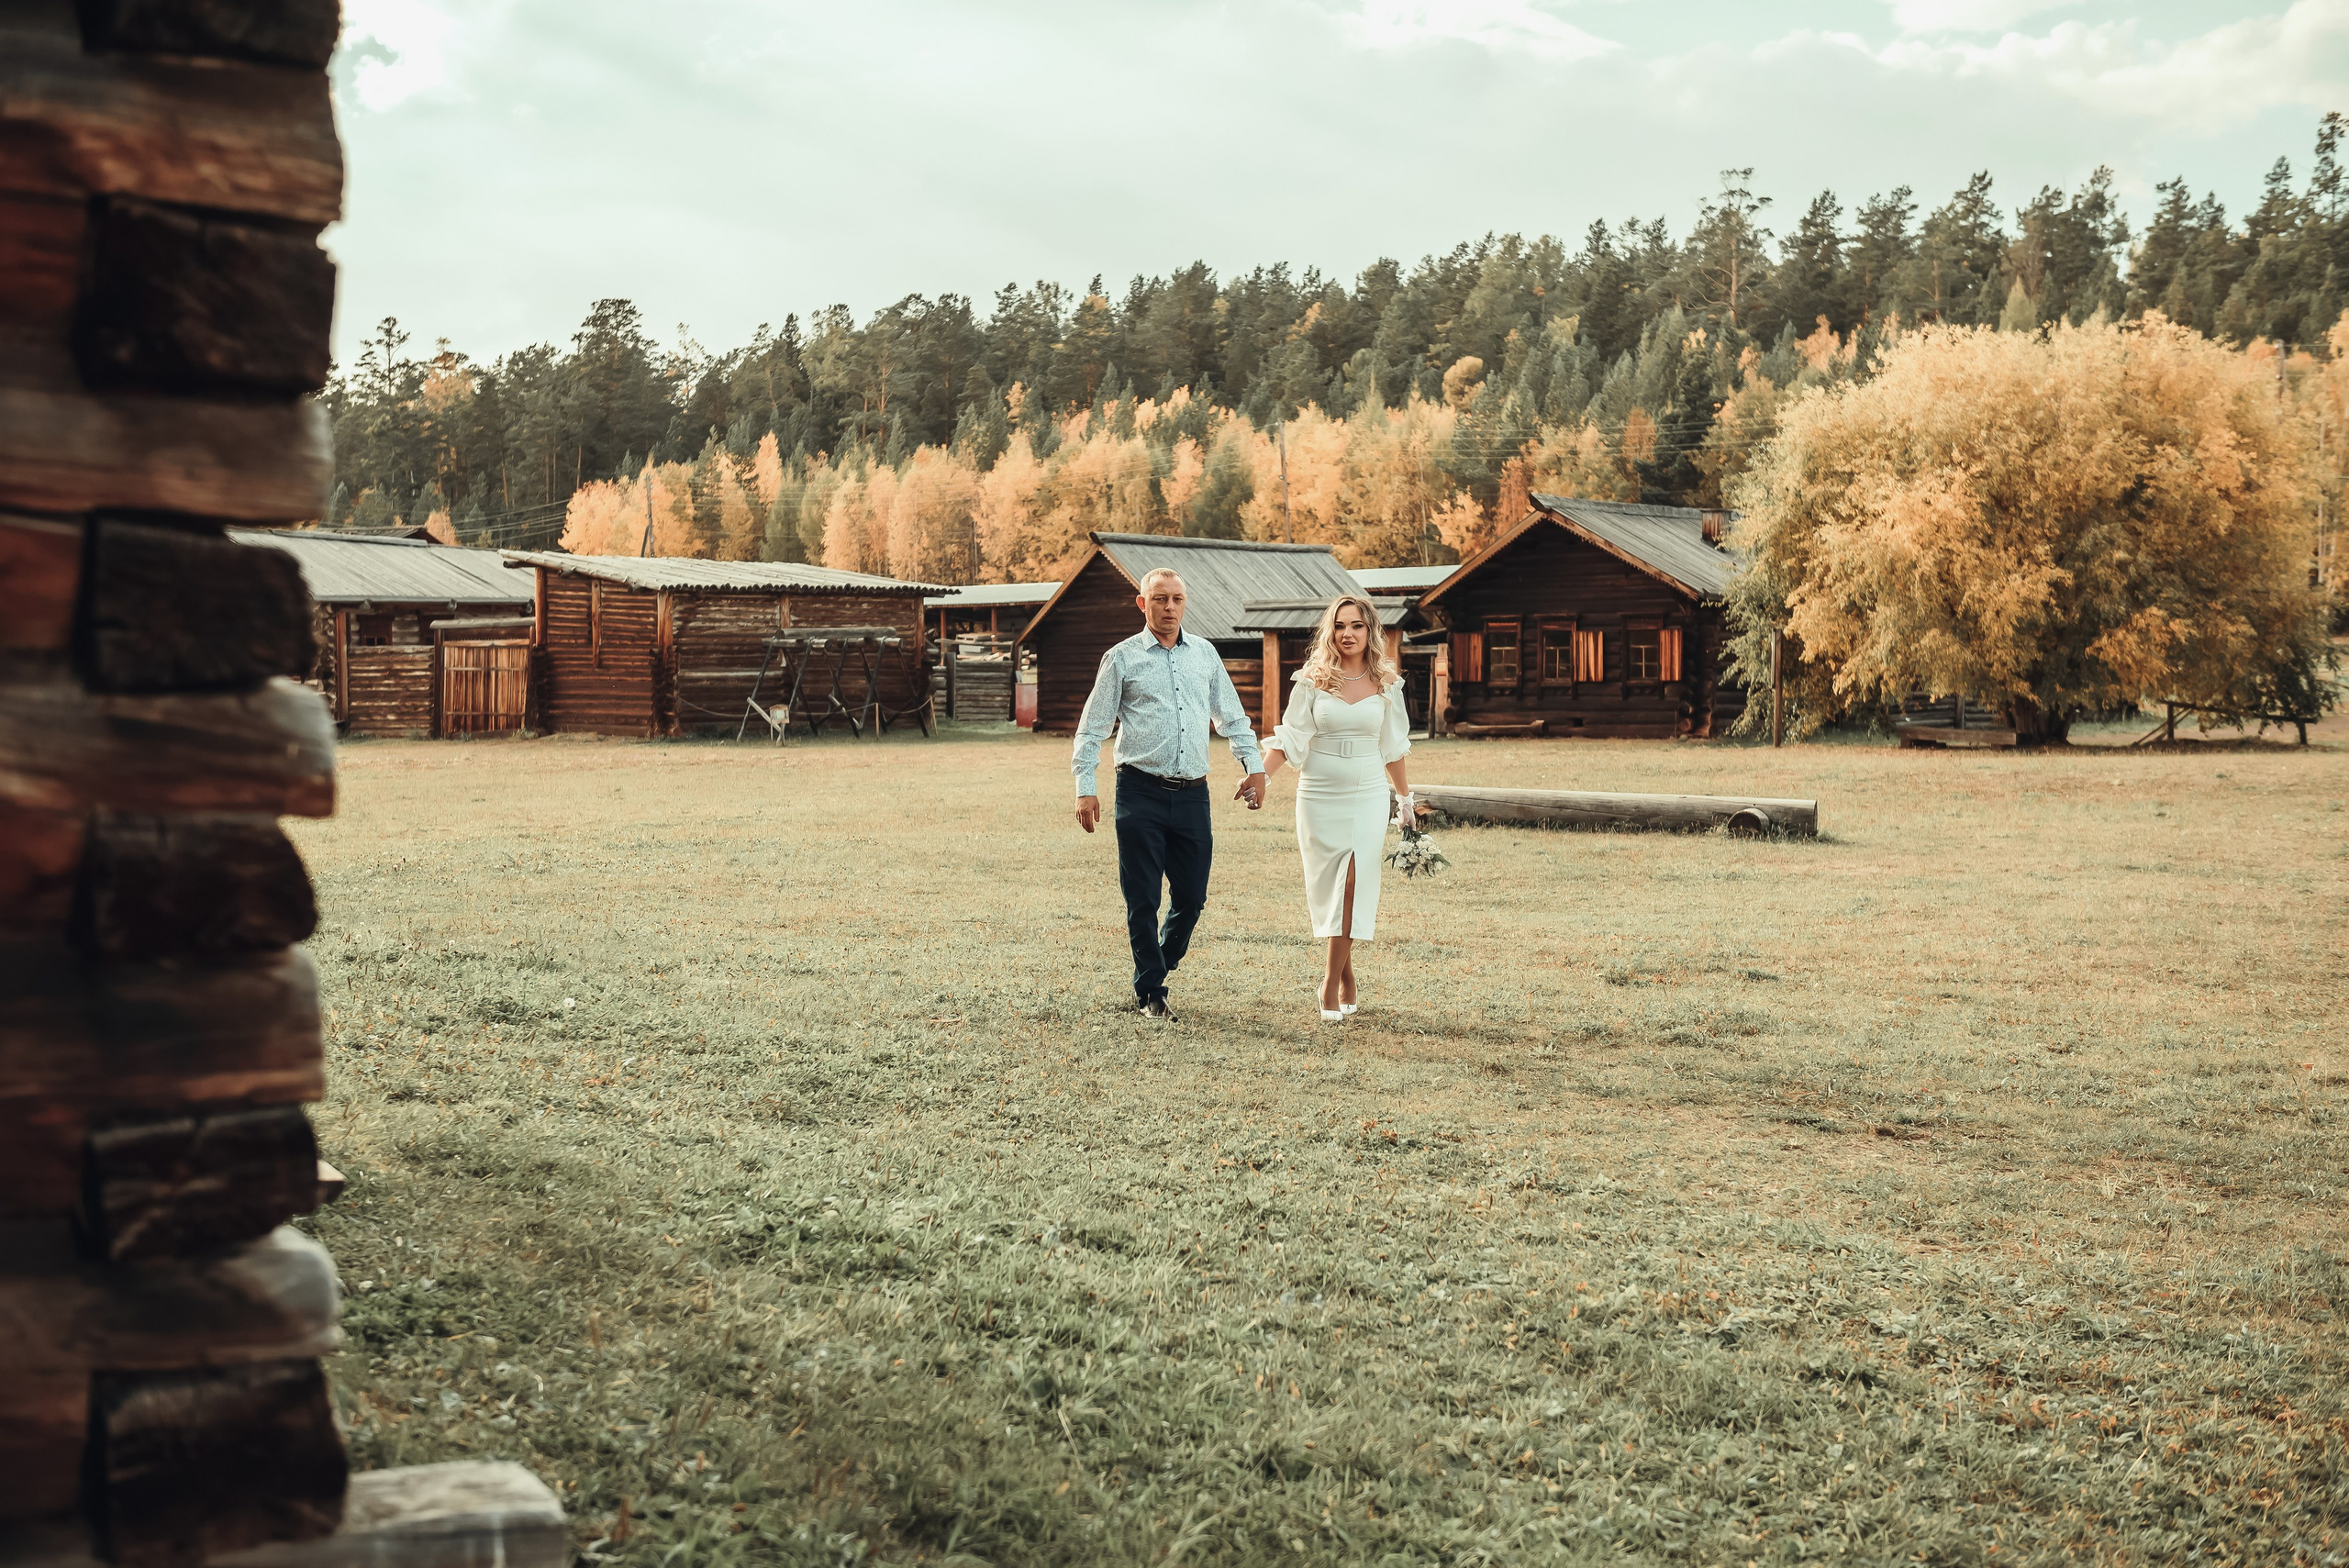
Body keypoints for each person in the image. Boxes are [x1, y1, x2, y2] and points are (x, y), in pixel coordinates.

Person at [1071, 566, 1267, 1020]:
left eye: (1177, 599)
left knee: (1192, 897)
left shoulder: (1205, 654)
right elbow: (1092, 728)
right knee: (1143, 897)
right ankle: (1151, 992)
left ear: (1185, 602)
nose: (1169, 607)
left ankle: (1158, 963)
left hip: (1194, 794)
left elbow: (1232, 718)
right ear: (1143, 604)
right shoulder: (1121, 658)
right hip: (1139, 791)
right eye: (1160, 599)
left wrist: (1254, 766)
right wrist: (1085, 788)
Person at [1260, 595, 1419, 1022]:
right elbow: (1291, 737)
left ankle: (1329, 983)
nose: (1348, 634)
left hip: (1367, 794)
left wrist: (1405, 799)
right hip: (1318, 794)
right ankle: (1347, 974)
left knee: (1354, 882)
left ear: (1371, 631)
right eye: (1340, 625)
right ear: (1330, 631)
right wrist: (1262, 777)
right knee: (1331, 887)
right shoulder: (1312, 679)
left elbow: (1393, 747)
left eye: (1357, 626)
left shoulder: (1387, 683)